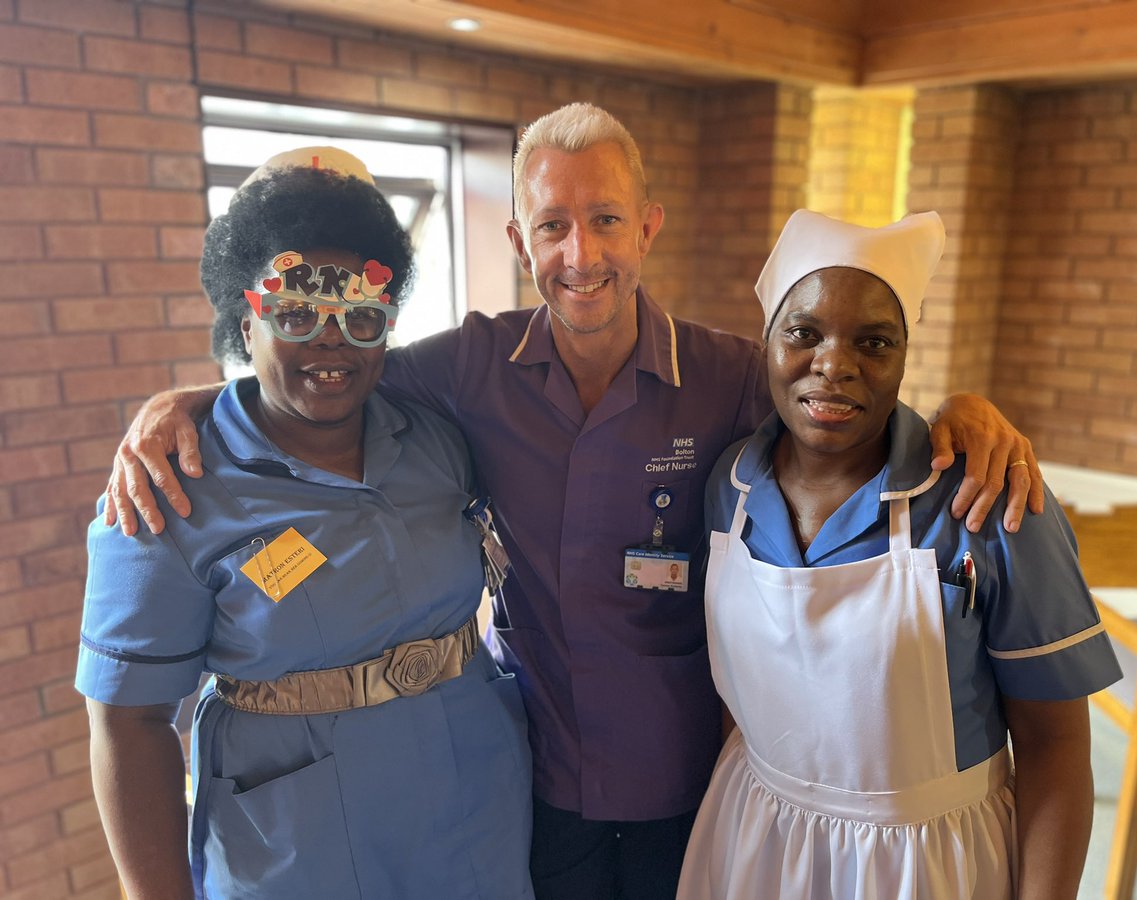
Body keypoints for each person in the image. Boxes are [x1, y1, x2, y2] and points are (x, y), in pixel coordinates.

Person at [102, 104, 1044, 899]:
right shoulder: (467, 370)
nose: (579, 252)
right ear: (518, 241)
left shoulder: (726, 376)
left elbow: (841, 394)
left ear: (649, 227)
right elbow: (322, 362)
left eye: (604, 219)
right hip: (538, 773)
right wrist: (192, 399)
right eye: (552, 225)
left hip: (692, 773)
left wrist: (963, 409)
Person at [76, 150, 534, 899]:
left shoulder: (438, 440)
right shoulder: (167, 490)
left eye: (360, 317)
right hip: (296, 846)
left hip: (476, 806)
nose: (331, 340)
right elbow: (129, 722)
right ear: (243, 319)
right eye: (294, 315)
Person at [677, 210, 1120, 899]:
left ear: (906, 355)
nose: (834, 365)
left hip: (928, 864)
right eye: (803, 332)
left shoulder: (988, 501)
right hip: (753, 835)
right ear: (764, 339)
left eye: (874, 342)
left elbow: (1055, 747)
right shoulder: (729, 488)